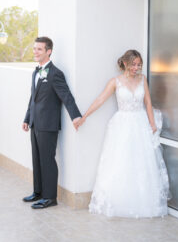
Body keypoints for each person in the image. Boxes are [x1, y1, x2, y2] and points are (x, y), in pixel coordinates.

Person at [78, 49, 169, 218]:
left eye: (139, 64)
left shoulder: (143, 79)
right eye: (133, 64)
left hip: (141, 124)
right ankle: (120, 201)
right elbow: (100, 99)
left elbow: (148, 102)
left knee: (142, 163)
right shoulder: (115, 82)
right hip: (122, 126)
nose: (137, 68)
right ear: (125, 63)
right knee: (122, 161)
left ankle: (143, 201)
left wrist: (152, 124)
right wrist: (84, 116)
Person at [22, 36, 81, 209]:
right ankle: (38, 192)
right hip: (34, 122)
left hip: (48, 124)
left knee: (47, 160)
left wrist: (76, 116)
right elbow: (33, 98)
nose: (35, 51)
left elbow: (66, 96)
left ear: (49, 51)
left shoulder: (56, 73)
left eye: (39, 49)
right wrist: (27, 118)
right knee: (36, 159)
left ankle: (50, 197)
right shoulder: (36, 71)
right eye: (34, 48)